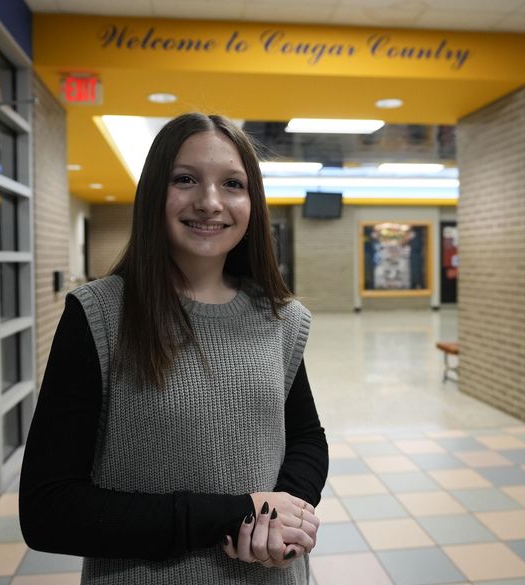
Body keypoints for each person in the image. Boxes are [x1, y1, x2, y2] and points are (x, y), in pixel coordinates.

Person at [19, 112, 329, 585]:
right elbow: (49, 509)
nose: (209, 202)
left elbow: (306, 437)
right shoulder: (100, 315)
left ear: (252, 202)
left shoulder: (281, 318)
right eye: (185, 179)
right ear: (153, 196)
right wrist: (234, 514)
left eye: (232, 184)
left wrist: (280, 518)